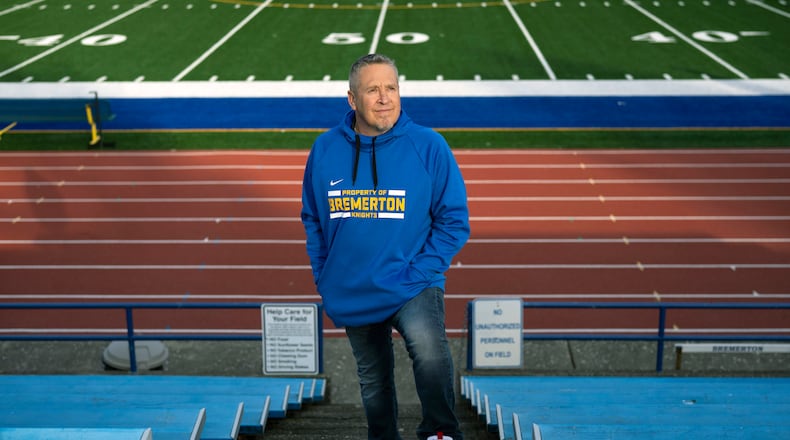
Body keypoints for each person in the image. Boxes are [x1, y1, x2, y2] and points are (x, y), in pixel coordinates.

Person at [300, 53, 470, 440]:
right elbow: (313, 218)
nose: (384, 98)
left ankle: (440, 433)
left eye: (391, 88)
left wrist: (420, 272)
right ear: (351, 99)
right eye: (372, 89)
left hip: (412, 283)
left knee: (429, 354)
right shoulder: (325, 149)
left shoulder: (429, 146)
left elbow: (453, 221)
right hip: (352, 285)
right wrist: (324, 277)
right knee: (373, 378)